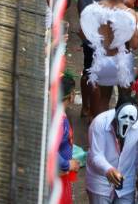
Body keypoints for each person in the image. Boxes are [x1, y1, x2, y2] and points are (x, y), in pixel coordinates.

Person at [80, 0, 138, 117]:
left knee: (104, 99)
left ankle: (100, 129)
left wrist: (98, 43)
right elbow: (134, 44)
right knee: (125, 99)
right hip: (122, 62)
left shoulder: (95, 8)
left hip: (102, 59)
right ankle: (121, 133)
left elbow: (83, 33)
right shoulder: (130, 14)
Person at [86, 100, 138, 204]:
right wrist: (108, 169)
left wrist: (134, 171)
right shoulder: (99, 122)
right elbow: (96, 155)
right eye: (124, 117)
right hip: (100, 182)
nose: (127, 121)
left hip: (127, 181)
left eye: (131, 118)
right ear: (116, 113)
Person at [58, 73, 79, 204]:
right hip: (57, 179)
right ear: (71, 95)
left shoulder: (57, 113)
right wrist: (68, 165)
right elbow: (50, 151)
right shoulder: (59, 122)